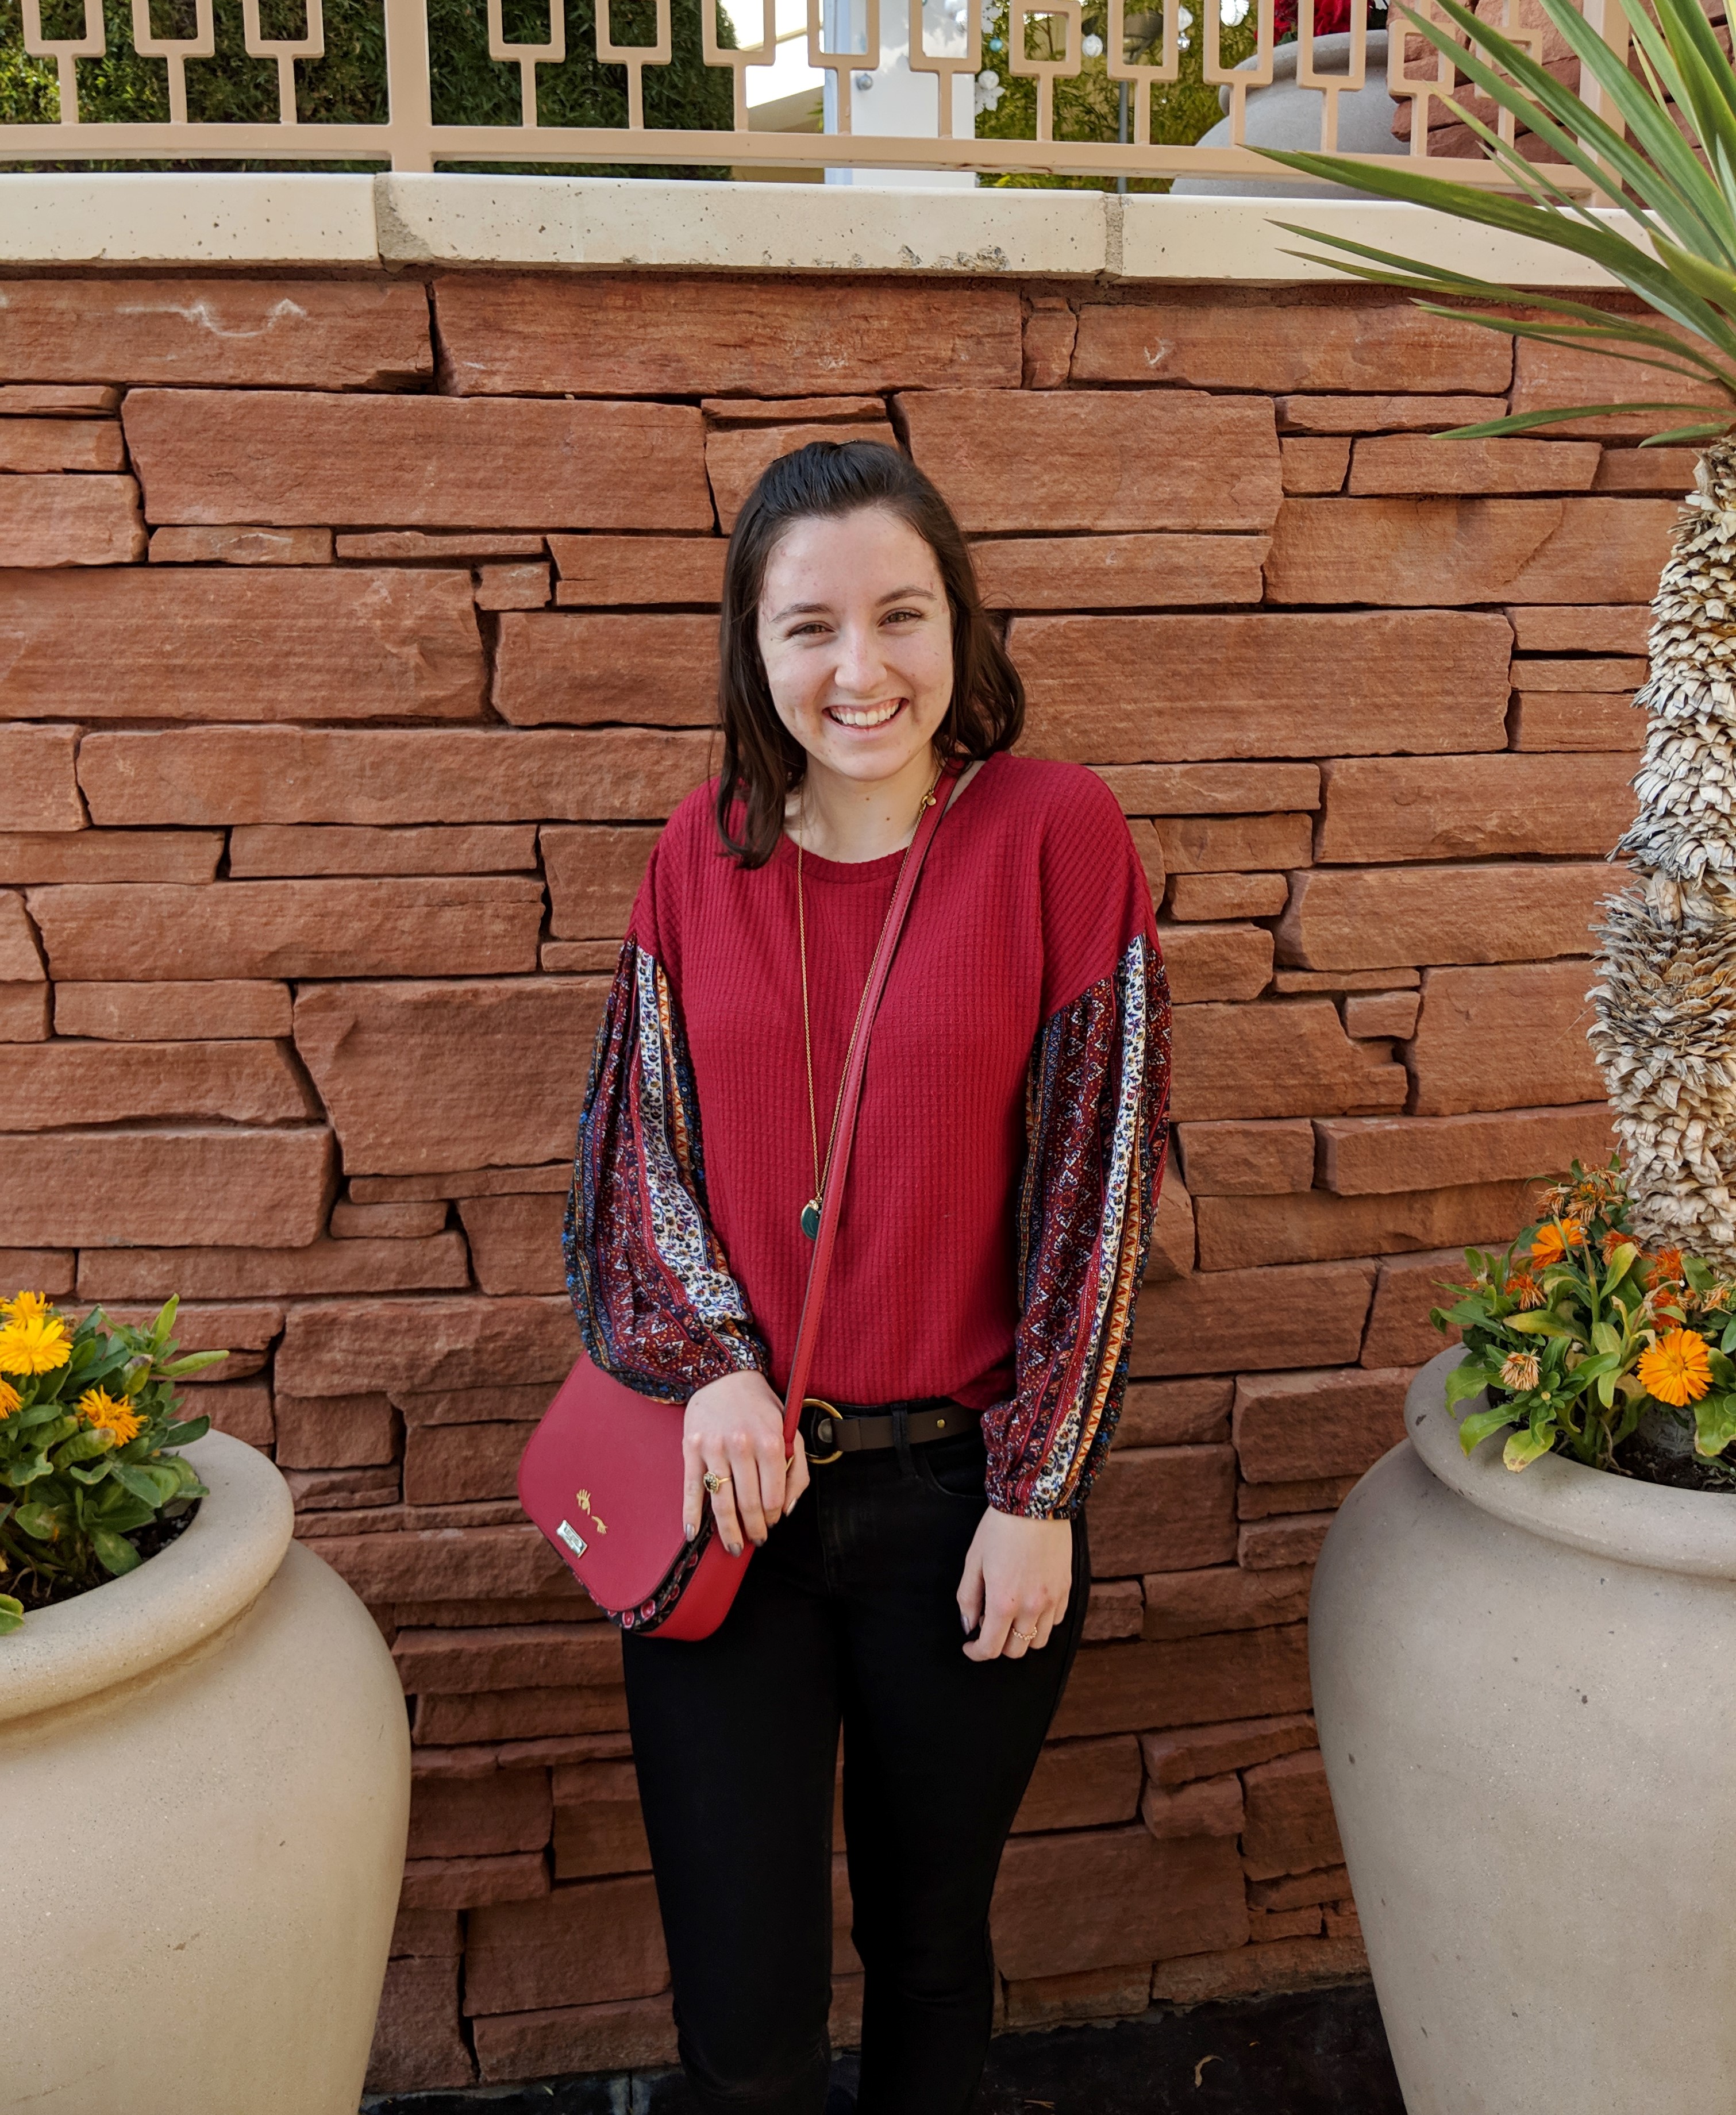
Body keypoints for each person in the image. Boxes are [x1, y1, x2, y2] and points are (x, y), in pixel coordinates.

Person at [565, 439, 1171, 2115]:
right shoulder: (703, 854)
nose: (861, 668)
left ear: (960, 629)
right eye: (809, 625)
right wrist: (716, 1364)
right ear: (755, 651)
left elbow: (1097, 1178)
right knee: (743, 2008)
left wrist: (1040, 1481)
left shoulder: (1055, 834)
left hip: (962, 1506)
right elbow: (639, 1154)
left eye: (902, 615)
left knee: (928, 1954)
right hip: (728, 1500)